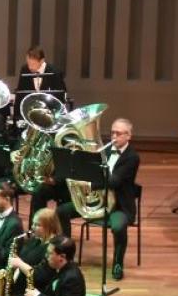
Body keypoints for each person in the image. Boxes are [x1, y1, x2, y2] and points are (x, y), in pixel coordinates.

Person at [56, 117, 139, 280]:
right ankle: (67, 255)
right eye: (112, 132)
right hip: (96, 202)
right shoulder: (104, 151)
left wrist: (91, 183)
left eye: (119, 133)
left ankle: (117, 263)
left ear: (129, 136)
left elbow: (114, 182)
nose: (114, 136)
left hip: (119, 206)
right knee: (62, 211)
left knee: (119, 227)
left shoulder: (132, 157)